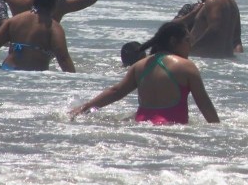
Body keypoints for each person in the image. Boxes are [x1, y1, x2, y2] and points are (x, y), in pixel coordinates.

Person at [70, 22, 219, 125]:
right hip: (172, 129)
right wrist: (218, 130)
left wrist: (85, 107)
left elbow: (116, 91)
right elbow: (204, 105)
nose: (190, 46)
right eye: (187, 40)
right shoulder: (187, 67)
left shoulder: (139, 66)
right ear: (174, 41)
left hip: (141, 124)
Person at [0, 0, 75, 72]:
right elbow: (63, 59)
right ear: (55, 2)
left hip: (8, 70)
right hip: (33, 78)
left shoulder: (14, 20)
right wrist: (73, 81)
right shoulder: (54, 27)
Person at [173, 0, 243, 57]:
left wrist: (190, 51)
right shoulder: (232, 3)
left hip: (207, 60)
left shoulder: (213, 0)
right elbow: (236, 40)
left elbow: (215, 30)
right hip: (223, 60)